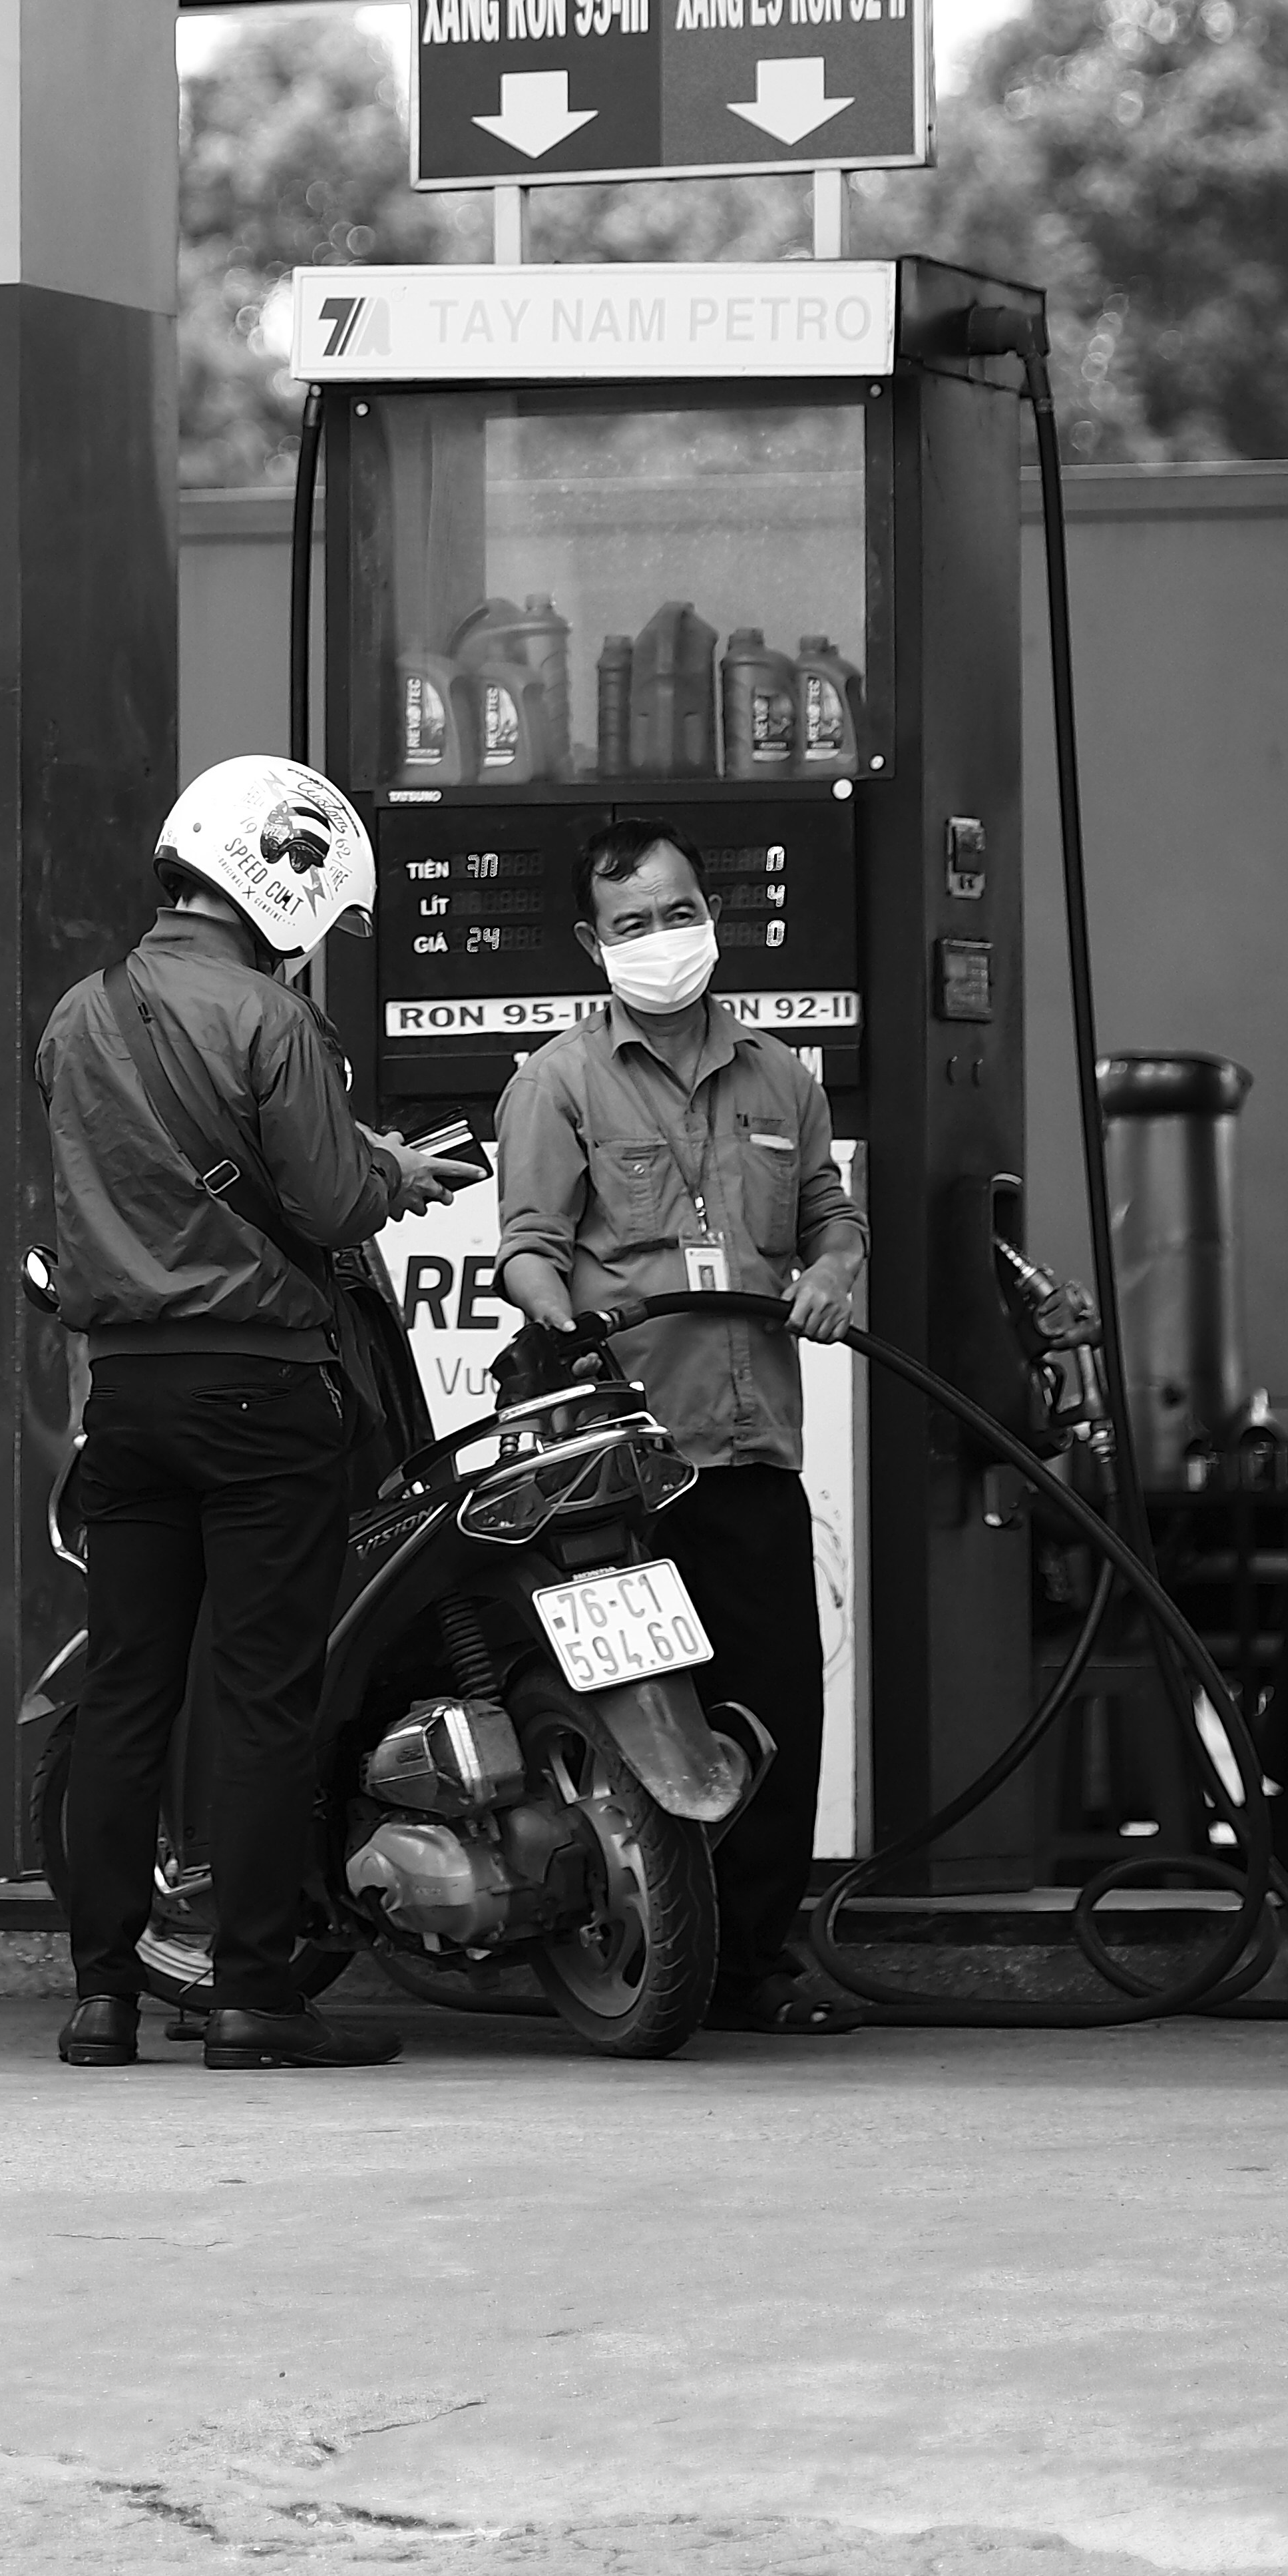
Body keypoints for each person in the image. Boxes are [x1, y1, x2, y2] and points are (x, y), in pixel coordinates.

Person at [37, 755, 469, 2073]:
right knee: (266, 1697)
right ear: (273, 888)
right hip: (263, 1390)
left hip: (127, 1396)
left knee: (125, 1695)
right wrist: (395, 1167)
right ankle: (253, 1997)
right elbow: (332, 1205)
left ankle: (102, 1996)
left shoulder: (77, 1014)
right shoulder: (273, 1024)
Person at [489, 818, 862, 2035]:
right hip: (627, 1465)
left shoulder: (782, 1076)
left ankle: (755, 1964)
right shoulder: (557, 1080)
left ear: (715, 912)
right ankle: (643, 1949)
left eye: (679, 910)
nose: (663, 939)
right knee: (644, 1718)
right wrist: (569, 1328)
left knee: (769, 1713)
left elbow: (827, 1214)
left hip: (747, 1446)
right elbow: (530, 1250)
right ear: (596, 942)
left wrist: (836, 1266)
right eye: (633, 922)